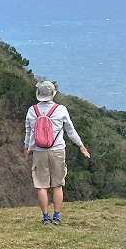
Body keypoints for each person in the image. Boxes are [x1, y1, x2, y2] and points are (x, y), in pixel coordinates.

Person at [24, 80, 90, 224]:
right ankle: (57, 216)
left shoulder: (32, 110)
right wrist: (81, 145)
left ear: (39, 94)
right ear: (52, 94)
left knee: (41, 185)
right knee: (57, 185)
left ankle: (45, 217)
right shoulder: (61, 109)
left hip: (39, 151)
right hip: (58, 150)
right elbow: (70, 131)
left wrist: (27, 148)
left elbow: (29, 132)